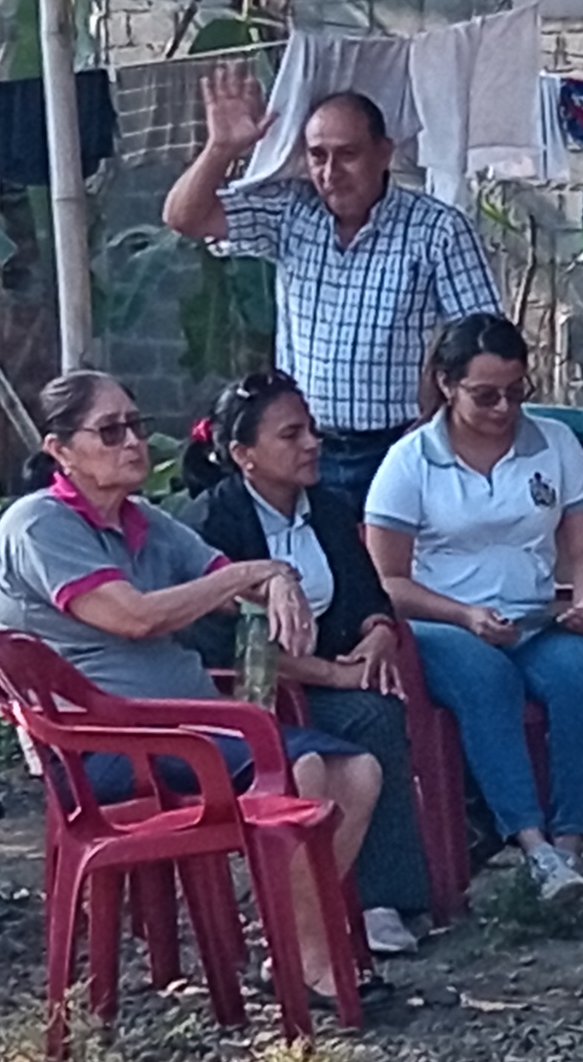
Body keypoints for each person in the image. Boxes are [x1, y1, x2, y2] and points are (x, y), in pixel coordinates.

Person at [0, 369, 383, 968]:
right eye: (110, 432)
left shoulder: (144, 520)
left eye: (136, 426)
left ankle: (294, 947)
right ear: (60, 450)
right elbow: (135, 617)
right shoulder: (41, 524)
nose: (132, 442)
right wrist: (251, 574)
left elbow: (231, 583)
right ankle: (309, 964)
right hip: (105, 747)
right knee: (302, 770)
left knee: (358, 772)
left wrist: (276, 579)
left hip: (189, 729)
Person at [181, 369, 437, 956]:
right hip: (248, 692)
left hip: (322, 678)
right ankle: (322, 910)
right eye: (291, 435)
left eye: (312, 431)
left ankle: (379, 902)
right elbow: (221, 645)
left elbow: (368, 594)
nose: (312, 444)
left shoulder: (327, 508)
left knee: (379, 707)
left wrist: (377, 635)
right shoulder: (212, 525)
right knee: (363, 718)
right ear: (243, 455)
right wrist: (331, 675)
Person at [161, 68, 502, 505]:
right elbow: (183, 217)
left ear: (384, 152)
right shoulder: (292, 212)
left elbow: (484, 341)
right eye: (317, 156)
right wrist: (220, 149)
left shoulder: (437, 230)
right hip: (305, 447)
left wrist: (441, 422)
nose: (330, 172)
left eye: (348, 154)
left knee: (391, 551)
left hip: (398, 445)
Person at [366, 314, 583, 908]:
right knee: (486, 679)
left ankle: (569, 843)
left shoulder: (554, 443)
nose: (504, 408)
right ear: (447, 385)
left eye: (515, 392)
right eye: (485, 396)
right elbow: (386, 582)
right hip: (440, 627)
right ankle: (532, 845)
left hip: (533, 619)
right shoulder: (410, 461)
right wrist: (462, 615)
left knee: (581, 669)